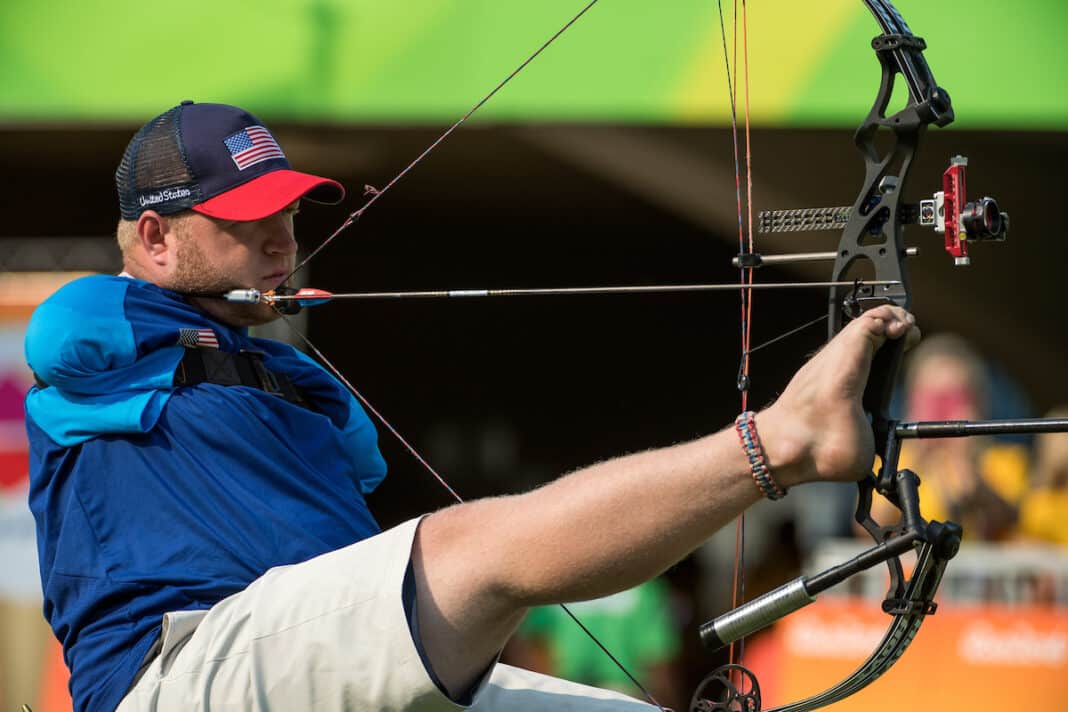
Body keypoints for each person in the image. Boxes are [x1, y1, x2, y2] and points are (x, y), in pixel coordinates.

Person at [24, 101, 920, 712]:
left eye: (287, 214)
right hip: (178, 678)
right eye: (243, 220)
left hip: (308, 665)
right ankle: (785, 438)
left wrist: (274, 363)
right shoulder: (107, 329)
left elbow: (357, 466)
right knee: (457, 550)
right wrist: (230, 340)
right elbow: (63, 334)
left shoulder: (276, 380)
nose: (281, 240)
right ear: (153, 239)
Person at [872, 334, 1026, 540]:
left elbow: (1013, 523)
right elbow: (872, 527)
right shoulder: (895, 460)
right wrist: (917, 458)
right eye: (932, 399)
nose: (941, 414)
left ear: (977, 402)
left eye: (953, 398)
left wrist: (974, 477)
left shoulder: (1004, 460)